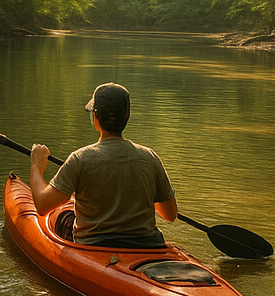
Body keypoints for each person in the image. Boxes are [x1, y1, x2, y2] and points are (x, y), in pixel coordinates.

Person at [28, 82, 177, 249]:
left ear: (96, 116)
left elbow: (42, 206)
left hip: (94, 247)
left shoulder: (80, 159)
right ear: (127, 116)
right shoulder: (150, 158)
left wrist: (37, 166)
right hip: (149, 246)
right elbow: (170, 215)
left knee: (62, 215)